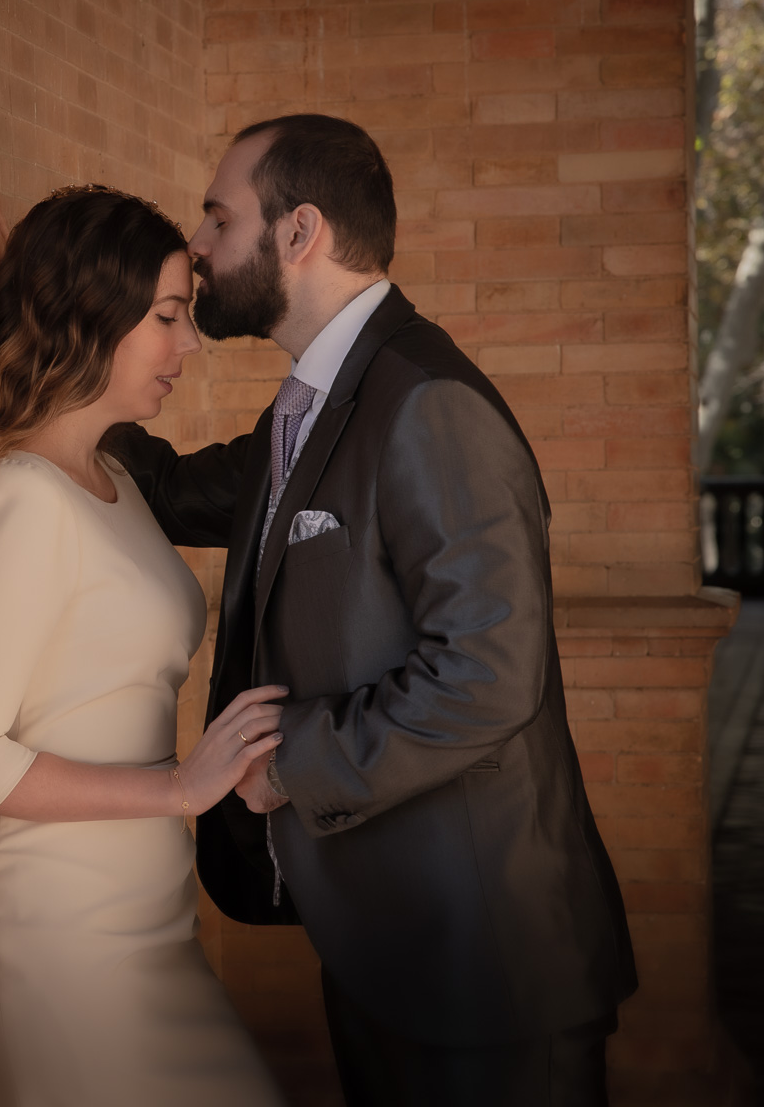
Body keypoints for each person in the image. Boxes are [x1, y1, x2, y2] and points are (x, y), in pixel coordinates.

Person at [107, 115, 639, 1106]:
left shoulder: (427, 402)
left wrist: (284, 766)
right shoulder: (318, 400)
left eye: (219, 218)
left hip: (485, 974)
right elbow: (176, 492)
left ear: (299, 231)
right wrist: (67, 345)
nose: (199, 246)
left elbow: (486, 676)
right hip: (390, 950)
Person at [0, 186, 288, 1106]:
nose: (189, 344)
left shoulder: (112, 476)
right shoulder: (17, 499)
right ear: (91, 316)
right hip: (49, 932)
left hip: (146, 918)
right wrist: (177, 787)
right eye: (167, 316)